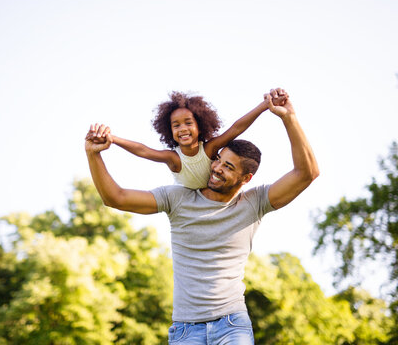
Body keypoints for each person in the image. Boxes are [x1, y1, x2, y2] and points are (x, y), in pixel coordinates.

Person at [85, 88, 319, 344]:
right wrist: (93, 154)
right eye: (219, 160)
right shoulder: (178, 198)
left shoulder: (255, 202)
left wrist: (289, 117)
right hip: (186, 329)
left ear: (245, 179)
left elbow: (306, 173)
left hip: (232, 324)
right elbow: (115, 197)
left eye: (228, 167)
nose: (217, 168)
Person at [110, 91, 287, 189]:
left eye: (188, 123)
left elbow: (236, 128)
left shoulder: (209, 149)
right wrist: (113, 139)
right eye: (176, 125)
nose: (183, 129)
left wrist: (265, 105)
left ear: (200, 126)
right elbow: (144, 150)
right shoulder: (174, 159)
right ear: (169, 130)